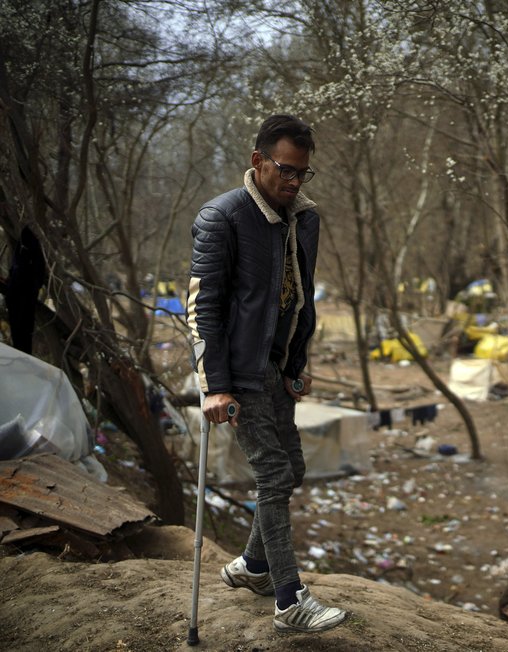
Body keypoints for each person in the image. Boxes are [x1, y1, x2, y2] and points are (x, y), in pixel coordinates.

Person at [187, 114, 346, 633]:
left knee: (292, 470)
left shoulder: (305, 218)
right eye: (285, 170)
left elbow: (299, 297)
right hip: (237, 372)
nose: (294, 180)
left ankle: (253, 566)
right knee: (273, 475)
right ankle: (289, 599)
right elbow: (202, 305)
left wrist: (296, 365)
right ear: (258, 162)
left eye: (302, 172)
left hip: (275, 370)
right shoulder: (222, 217)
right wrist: (214, 385)